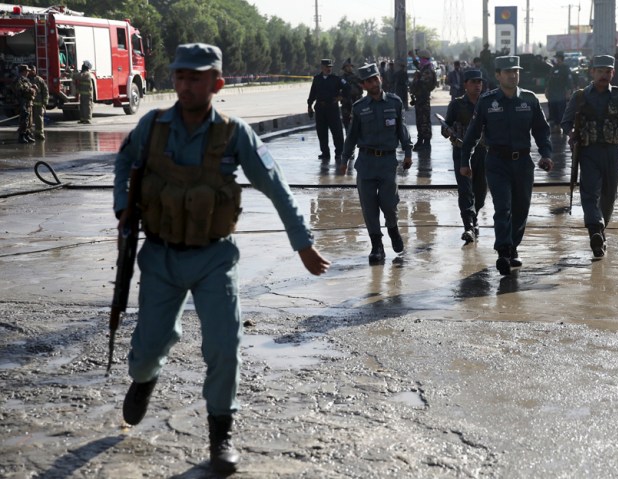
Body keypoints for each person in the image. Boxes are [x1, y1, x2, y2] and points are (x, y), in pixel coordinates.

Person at [112, 43, 330, 474]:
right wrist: (123, 206)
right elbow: (123, 164)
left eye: (195, 78)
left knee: (224, 345)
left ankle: (220, 432)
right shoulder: (152, 127)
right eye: (180, 77)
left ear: (217, 83)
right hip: (160, 255)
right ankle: (144, 377)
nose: (186, 85)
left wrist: (302, 243)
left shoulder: (234, 133)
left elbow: (275, 186)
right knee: (147, 346)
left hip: (214, 258)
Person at [460, 56, 553, 274]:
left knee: (521, 209)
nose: (513, 75)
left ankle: (513, 248)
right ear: (498, 75)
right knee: (503, 207)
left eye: (516, 71)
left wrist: (546, 154)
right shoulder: (487, 102)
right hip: (496, 162)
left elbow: (541, 130)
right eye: (508, 71)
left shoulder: (529, 100)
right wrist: (465, 161)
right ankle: (503, 250)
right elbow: (472, 133)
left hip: (523, 162)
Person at [561, 55, 618, 258]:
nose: (603, 75)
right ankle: (595, 230)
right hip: (588, 151)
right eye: (599, 71)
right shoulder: (580, 96)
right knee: (590, 193)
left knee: (609, 196)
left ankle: (600, 231)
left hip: (613, 152)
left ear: (613, 73)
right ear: (592, 73)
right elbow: (565, 121)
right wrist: (571, 133)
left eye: (607, 71)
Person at [340, 63, 413, 265]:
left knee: (390, 204)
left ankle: (393, 229)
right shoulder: (359, 108)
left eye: (376, 78)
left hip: (388, 162)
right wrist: (344, 159)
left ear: (380, 78)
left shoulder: (395, 103)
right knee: (369, 207)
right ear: (363, 85)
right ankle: (377, 246)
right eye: (369, 81)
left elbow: (402, 129)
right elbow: (351, 136)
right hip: (366, 163)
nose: (373, 83)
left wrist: (408, 151)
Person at [442, 69, 488, 244]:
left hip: (483, 151)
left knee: (480, 191)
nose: (477, 85)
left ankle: (474, 218)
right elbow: (446, 125)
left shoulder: (486, 103)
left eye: (479, 82)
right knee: (465, 189)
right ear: (465, 85)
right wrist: (448, 131)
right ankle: (468, 225)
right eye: (473, 82)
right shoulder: (457, 104)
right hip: (461, 152)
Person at [307, 59, 345, 160]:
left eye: (330, 67)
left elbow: (348, 88)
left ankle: (339, 152)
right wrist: (309, 105)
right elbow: (312, 93)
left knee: (337, 132)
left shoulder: (336, 79)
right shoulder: (317, 79)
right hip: (320, 109)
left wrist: (341, 97)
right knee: (321, 132)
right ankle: (325, 153)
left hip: (332, 108)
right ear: (322, 67)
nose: (329, 69)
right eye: (327, 67)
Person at [410, 50, 437, 150]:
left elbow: (423, 84)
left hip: (423, 99)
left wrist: (416, 78)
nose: (419, 60)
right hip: (419, 99)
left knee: (424, 121)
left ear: (424, 59)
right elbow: (418, 66)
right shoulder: (424, 68)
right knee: (419, 120)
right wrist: (413, 57)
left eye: (420, 58)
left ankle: (426, 142)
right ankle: (420, 139)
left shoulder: (428, 70)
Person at [545, 52, 574, 134]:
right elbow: (549, 80)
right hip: (552, 94)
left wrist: (569, 91)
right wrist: (547, 90)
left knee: (560, 110)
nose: (556, 59)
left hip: (561, 94)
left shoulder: (565, 68)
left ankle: (560, 126)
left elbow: (569, 81)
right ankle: (554, 126)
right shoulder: (553, 68)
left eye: (557, 58)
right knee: (552, 110)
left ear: (561, 58)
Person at [11, 64, 36, 144]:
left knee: (29, 119)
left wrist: (32, 88)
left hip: (28, 101)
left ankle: (27, 134)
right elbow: (20, 90)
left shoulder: (26, 80)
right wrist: (30, 90)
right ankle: (21, 136)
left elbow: (28, 88)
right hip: (22, 101)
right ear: (23, 71)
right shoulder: (18, 79)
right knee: (24, 118)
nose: (28, 73)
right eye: (27, 71)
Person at [339, 58, 362, 131]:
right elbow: (337, 91)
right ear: (344, 68)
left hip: (357, 104)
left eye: (350, 66)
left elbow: (361, 89)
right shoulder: (341, 79)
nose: (350, 68)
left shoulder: (356, 77)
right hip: (346, 105)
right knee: (348, 128)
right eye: (348, 66)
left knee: (359, 127)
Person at [28, 65, 49, 141]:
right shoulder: (26, 80)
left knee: (39, 119)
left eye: (34, 70)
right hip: (29, 103)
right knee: (28, 120)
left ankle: (39, 134)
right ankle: (29, 134)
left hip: (38, 103)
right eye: (31, 70)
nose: (33, 71)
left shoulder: (39, 79)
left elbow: (45, 91)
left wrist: (45, 102)